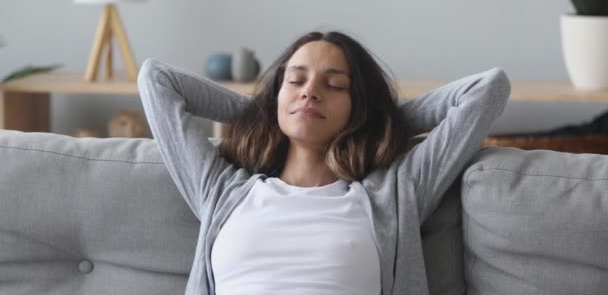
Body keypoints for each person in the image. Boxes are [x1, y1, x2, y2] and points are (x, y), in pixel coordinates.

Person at [137, 31, 511, 295]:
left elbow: (486, 90)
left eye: (334, 86)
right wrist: (265, 112)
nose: (309, 92)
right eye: (296, 80)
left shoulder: (394, 195)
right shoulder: (220, 189)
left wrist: (379, 121)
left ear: (357, 105)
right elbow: (157, 80)